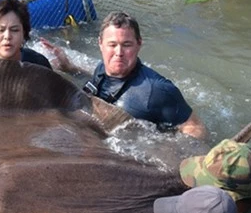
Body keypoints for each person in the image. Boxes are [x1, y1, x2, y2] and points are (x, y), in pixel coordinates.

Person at [42, 11, 207, 139]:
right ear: (100, 44)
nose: (118, 53)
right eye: (112, 45)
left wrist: (166, 152)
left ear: (139, 44)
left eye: (126, 45)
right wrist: (69, 67)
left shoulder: (157, 90)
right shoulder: (102, 69)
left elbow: (196, 127)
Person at [0, 0, 51, 69]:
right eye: (1, 30)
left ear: (24, 32)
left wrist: (64, 67)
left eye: (14, 30)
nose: (7, 36)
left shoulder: (39, 63)